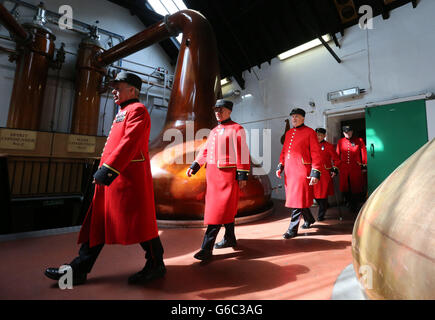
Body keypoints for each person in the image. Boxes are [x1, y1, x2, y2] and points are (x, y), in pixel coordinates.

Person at [44, 72, 166, 285]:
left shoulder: (138, 110)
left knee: (141, 224)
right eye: (114, 87)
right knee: (97, 224)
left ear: (132, 90)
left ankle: (156, 264)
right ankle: (78, 270)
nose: (114, 91)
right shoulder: (124, 111)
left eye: (118, 87)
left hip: (127, 181)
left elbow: (129, 143)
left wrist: (106, 171)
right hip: (112, 180)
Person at [186, 99, 250, 261]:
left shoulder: (237, 129)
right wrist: (195, 165)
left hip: (227, 175)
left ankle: (206, 249)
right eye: (216, 109)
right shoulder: (214, 130)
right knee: (224, 209)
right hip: (213, 176)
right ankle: (230, 238)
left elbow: (242, 152)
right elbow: (206, 150)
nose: (217, 112)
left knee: (218, 211)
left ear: (229, 111)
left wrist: (242, 174)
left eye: (221, 110)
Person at [276, 108, 322, 239]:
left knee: (297, 199)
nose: (294, 119)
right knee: (298, 198)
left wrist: (315, 172)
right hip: (290, 172)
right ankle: (309, 219)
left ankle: (292, 229)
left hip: (302, 171)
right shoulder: (289, 133)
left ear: (303, 118)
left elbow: (316, 153)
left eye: (296, 116)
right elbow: (284, 152)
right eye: (292, 117)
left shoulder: (310, 132)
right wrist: (281, 166)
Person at [336, 125, 367, 213]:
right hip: (344, 168)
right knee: (345, 187)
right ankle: (348, 203)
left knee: (356, 187)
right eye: (346, 132)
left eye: (349, 132)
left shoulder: (359, 140)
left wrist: (364, 165)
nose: (348, 133)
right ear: (343, 133)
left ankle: (355, 204)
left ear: (352, 132)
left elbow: (363, 153)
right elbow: (337, 155)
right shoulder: (340, 141)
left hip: (355, 167)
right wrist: (336, 167)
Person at [313, 128, 340, 221]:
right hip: (313, 173)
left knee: (322, 195)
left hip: (324, 174)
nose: (318, 137)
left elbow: (336, 159)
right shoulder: (310, 145)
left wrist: (334, 169)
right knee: (314, 195)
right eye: (316, 135)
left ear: (324, 136)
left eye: (320, 135)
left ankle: (321, 214)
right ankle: (324, 206)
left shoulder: (328, 146)